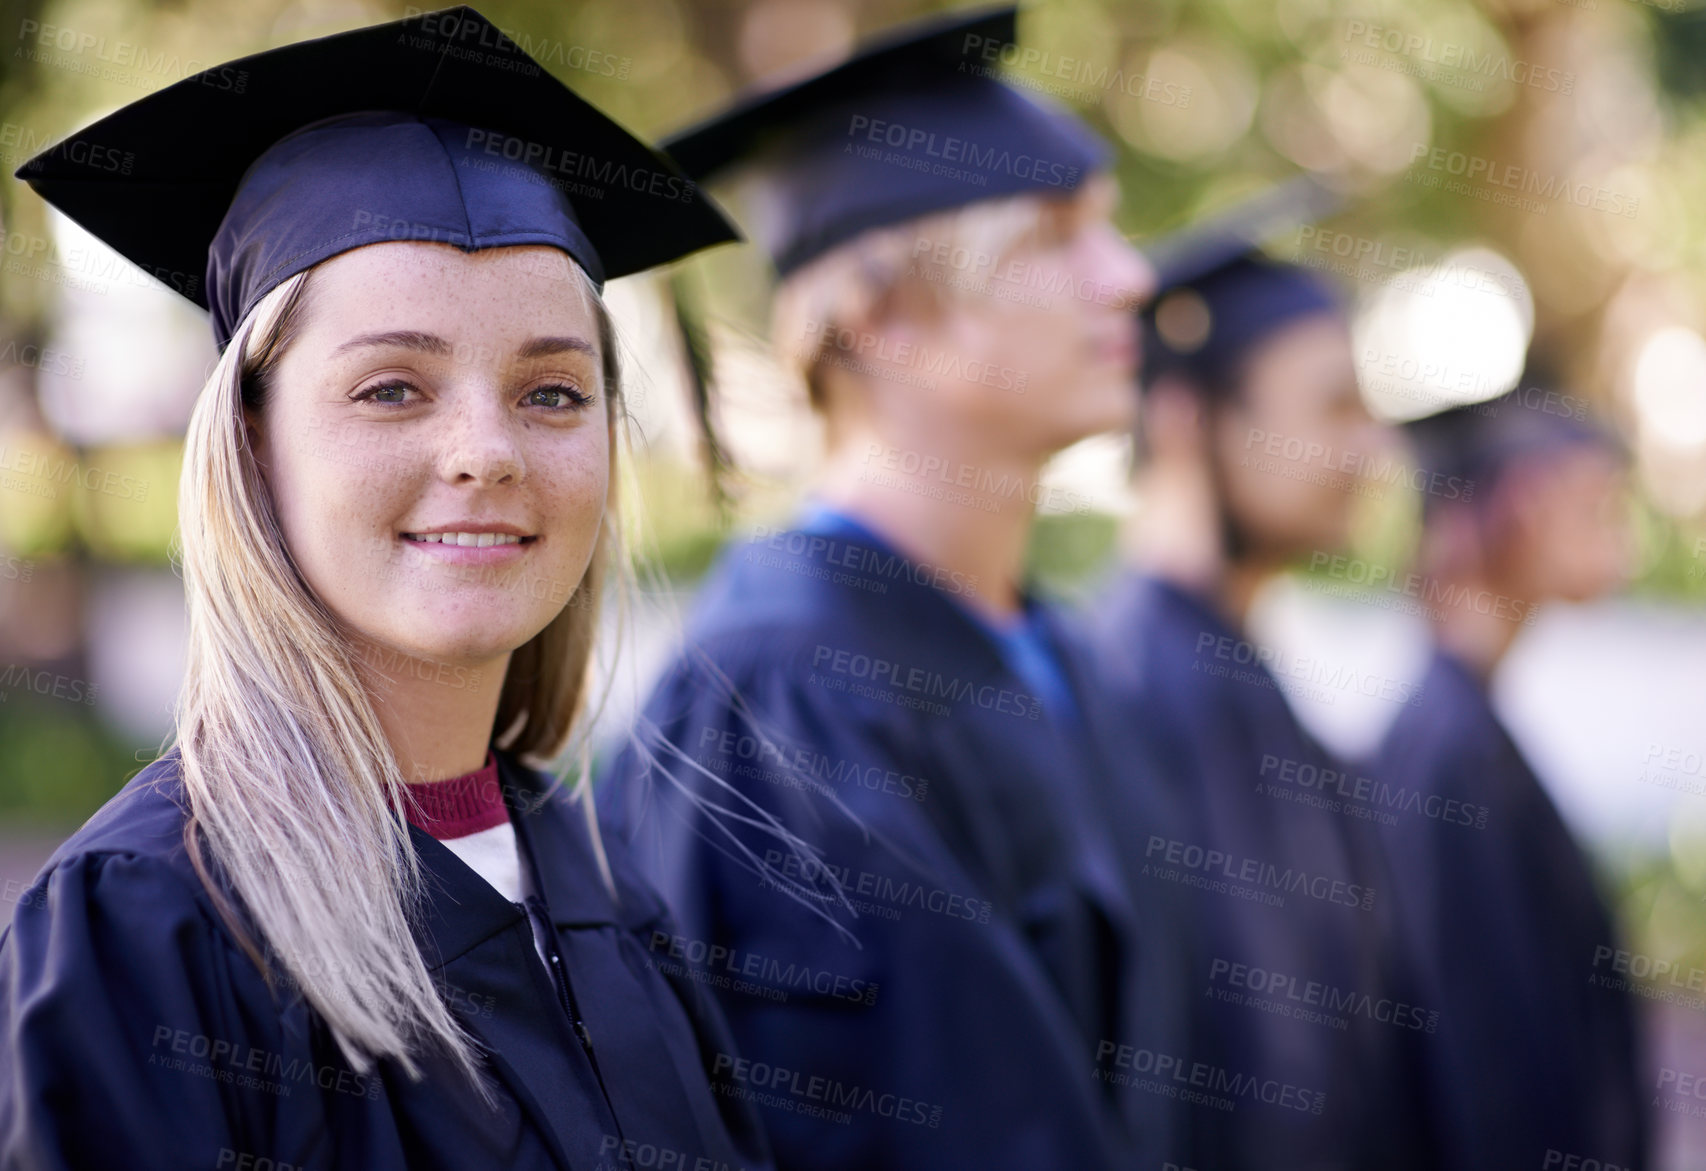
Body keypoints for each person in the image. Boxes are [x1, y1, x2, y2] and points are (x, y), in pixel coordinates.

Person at [0, 8, 772, 1171]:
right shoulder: (145, 928)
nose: (486, 451)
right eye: (392, 389)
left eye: (552, 392)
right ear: (253, 446)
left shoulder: (600, 880)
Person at [597, 7, 1188, 1168]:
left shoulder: (1048, 650)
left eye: (1111, 231)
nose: (1127, 279)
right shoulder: (783, 699)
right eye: (1055, 237)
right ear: (881, 317)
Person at [1080, 225, 1433, 1168]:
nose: (1370, 448)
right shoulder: (1134, 689)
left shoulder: (1237, 667)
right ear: (1188, 419)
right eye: (1333, 409)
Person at [1370, 385, 1647, 1170]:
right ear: (1520, 503)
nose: (1619, 537)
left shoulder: (1471, 732)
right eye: (1597, 505)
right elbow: (1481, 1069)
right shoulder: (1446, 755)